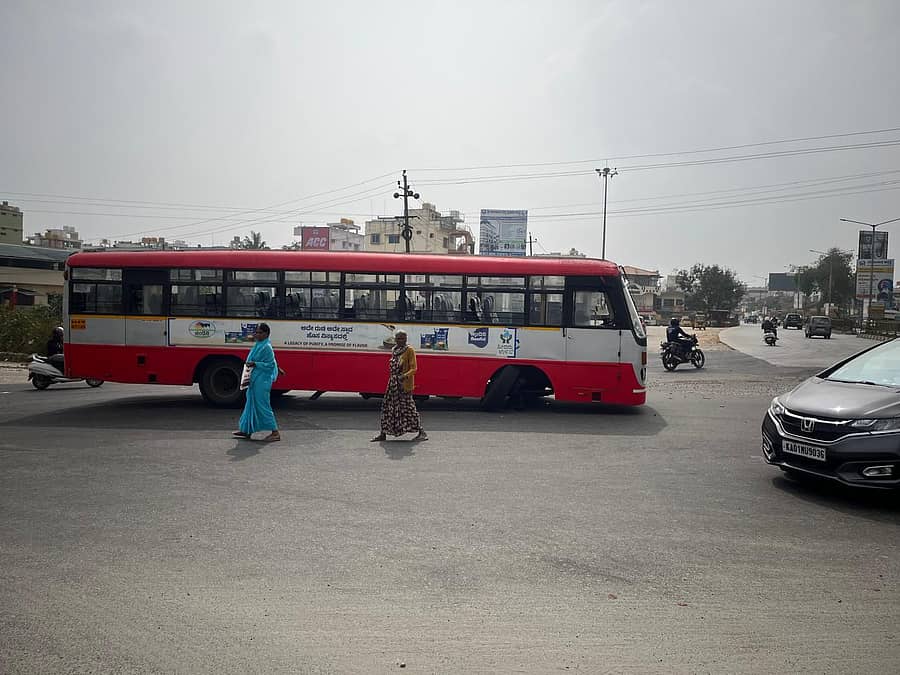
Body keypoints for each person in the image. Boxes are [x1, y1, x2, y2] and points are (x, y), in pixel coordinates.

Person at [371, 329, 427, 442]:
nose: (400, 340)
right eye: (398, 338)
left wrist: (404, 376)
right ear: (395, 339)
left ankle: (421, 432)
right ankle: (383, 433)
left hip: (404, 384)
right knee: (388, 408)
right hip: (392, 384)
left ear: (406, 339)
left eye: (402, 338)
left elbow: (414, 368)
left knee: (408, 409)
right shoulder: (394, 350)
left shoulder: (409, 350)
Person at [233, 323, 281, 442]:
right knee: (250, 404)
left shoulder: (266, 347)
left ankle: (275, 432)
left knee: (263, 406)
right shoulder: (260, 344)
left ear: (266, 334)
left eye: (260, 333)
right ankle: (246, 430)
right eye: (256, 332)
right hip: (254, 379)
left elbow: (270, 365)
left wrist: (256, 364)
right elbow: (273, 361)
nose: (257, 335)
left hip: (262, 381)